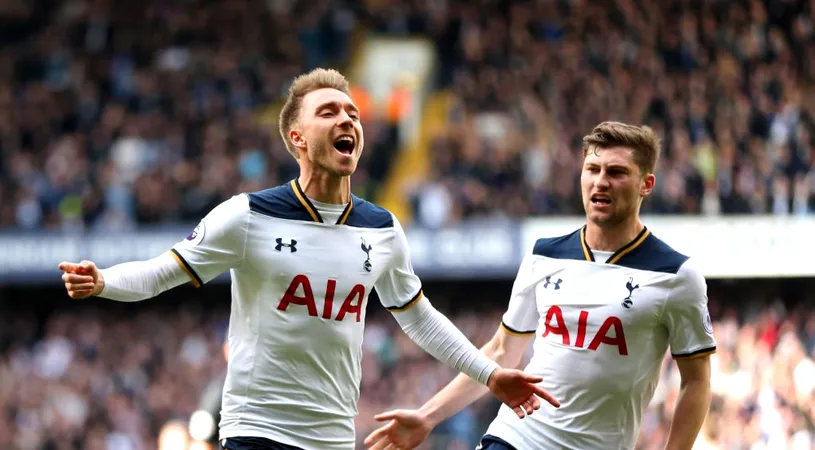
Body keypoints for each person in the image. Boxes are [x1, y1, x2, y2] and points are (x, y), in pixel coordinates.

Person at [58, 68, 559, 450]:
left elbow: (422, 321)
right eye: (328, 112)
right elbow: (162, 272)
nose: (347, 119)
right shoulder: (247, 215)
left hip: (334, 436)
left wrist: (491, 376)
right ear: (297, 139)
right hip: (257, 430)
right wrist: (103, 281)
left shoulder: (381, 229)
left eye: (353, 114)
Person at [364, 121, 716, 450]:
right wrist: (428, 415)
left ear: (646, 184)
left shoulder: (676, 275)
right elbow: (501, 351)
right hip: (517, 436)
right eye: (592, 170)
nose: (600, 182)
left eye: (617, 172)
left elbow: (696, 382)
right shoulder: (543, 255)